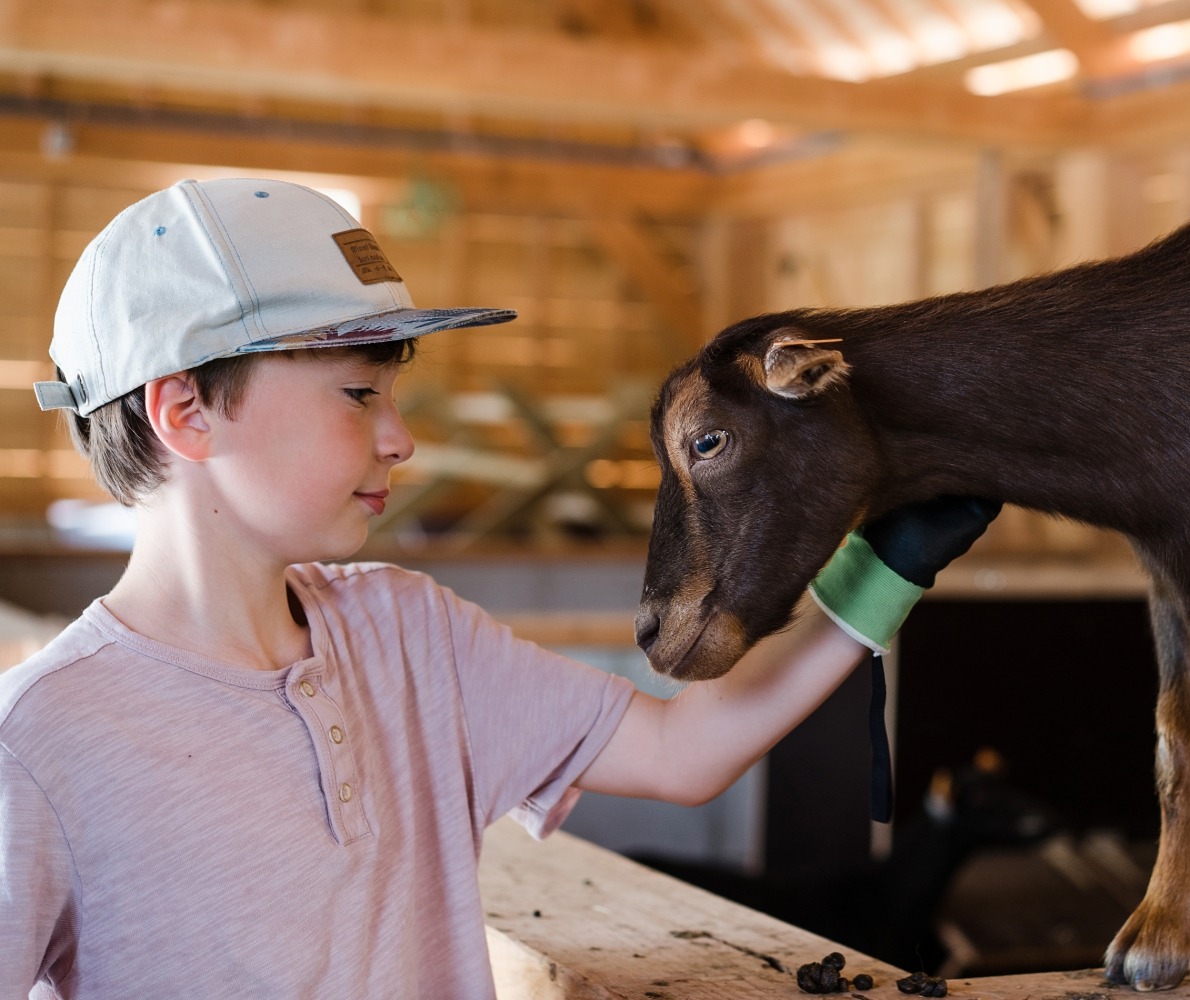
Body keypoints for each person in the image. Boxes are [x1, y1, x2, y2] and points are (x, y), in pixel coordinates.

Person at [0, 178, 997, 998]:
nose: (401, 436)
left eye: (395, 393)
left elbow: (682, 749)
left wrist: (884, 569)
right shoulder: (42, 743)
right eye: (359, 393)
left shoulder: (406, 632)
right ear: (185, 411)